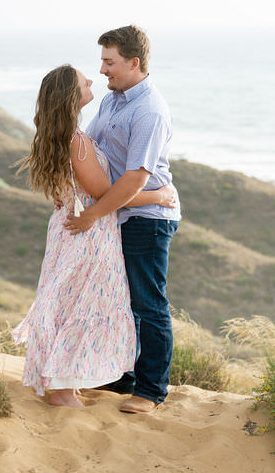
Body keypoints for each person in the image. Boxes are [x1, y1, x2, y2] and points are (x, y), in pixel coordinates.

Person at [12, 64, 178, 408]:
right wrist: (158, 196)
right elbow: (106, 193)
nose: (92, 79)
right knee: (82, 304)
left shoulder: (65, 136)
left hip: (74, 227)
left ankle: (67, 385)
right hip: (88, 232)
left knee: (71, 301)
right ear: (71, 96)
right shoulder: (77, 142)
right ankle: (63, 390)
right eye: (82, 80)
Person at [64, 25, 181, 414]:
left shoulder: (149, 110)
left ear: (134, 62)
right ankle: (123, 377)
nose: (102, 70)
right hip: (117, 214)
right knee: (121, 301)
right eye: (102, 61)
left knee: (148, 303)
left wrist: (92, 215)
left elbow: (135, 178)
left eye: (109, 62)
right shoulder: (113, 100)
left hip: (147, 217)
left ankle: (150, 391)